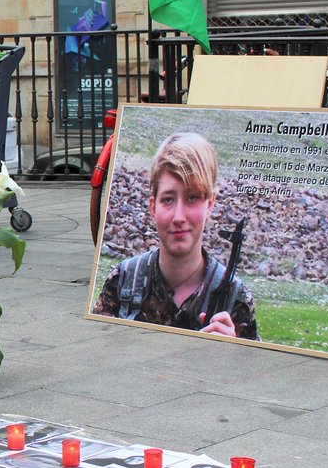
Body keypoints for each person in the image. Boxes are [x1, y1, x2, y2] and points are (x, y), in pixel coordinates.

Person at [93, 132, 260, 339]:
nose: (179, 217)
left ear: (209, 204)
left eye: (192, 198)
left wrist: (233, 354)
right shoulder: (122, 281)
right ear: (153, 207)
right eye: (168, 200)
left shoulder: (235, 299)